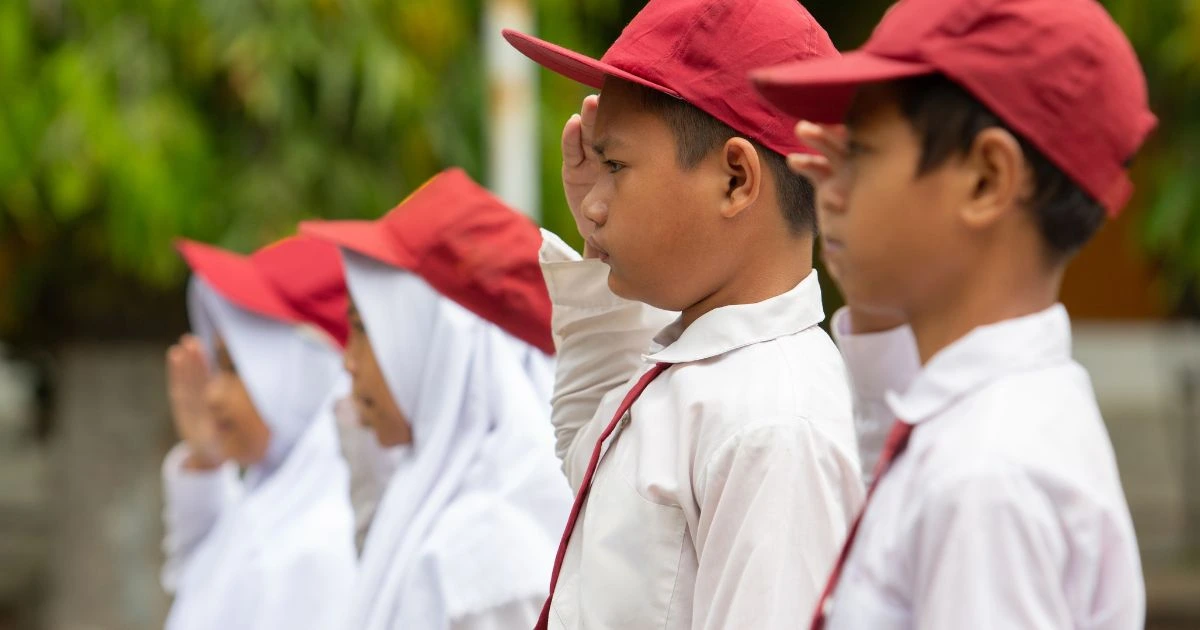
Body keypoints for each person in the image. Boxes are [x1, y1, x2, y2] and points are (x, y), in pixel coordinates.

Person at [752, 0, 1155, 627]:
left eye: (859, 153)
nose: (828, 183)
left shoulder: (986, 476)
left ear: (986, 180)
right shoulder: (993, 419)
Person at [502, 1, 864, 627]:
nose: (592, 203)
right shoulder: (702, 371)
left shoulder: (775, 422)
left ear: (734, 180)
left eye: (615, 166)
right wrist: (600, 254)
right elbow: (588, 449)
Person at [299, 168, 573, 630]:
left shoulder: (485, 562)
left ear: (441, 345)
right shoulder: (437, 507)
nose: (348, 362)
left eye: (364, 329)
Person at [161, 236, 357, 630]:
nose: (212, 394)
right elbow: (200, 579)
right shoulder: (277, 496)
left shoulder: (322, 547)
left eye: (235, 369)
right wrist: (205, 458)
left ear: (304, 376)